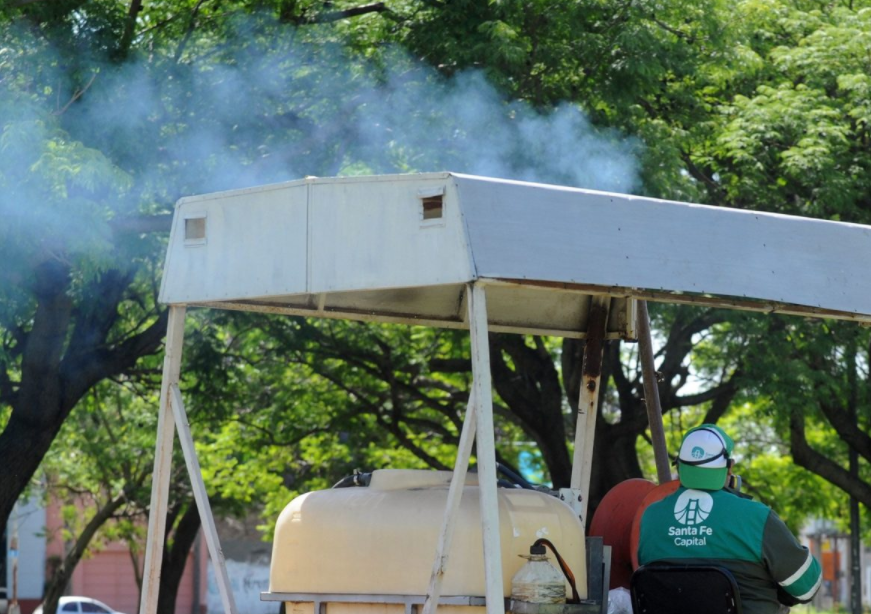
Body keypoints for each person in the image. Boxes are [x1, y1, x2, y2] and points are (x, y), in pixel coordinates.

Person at [637, 424, 822, 614]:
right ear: (729, 467)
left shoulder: (651, 517)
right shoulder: (756, 517)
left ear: (680, 465)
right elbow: (807, 587)